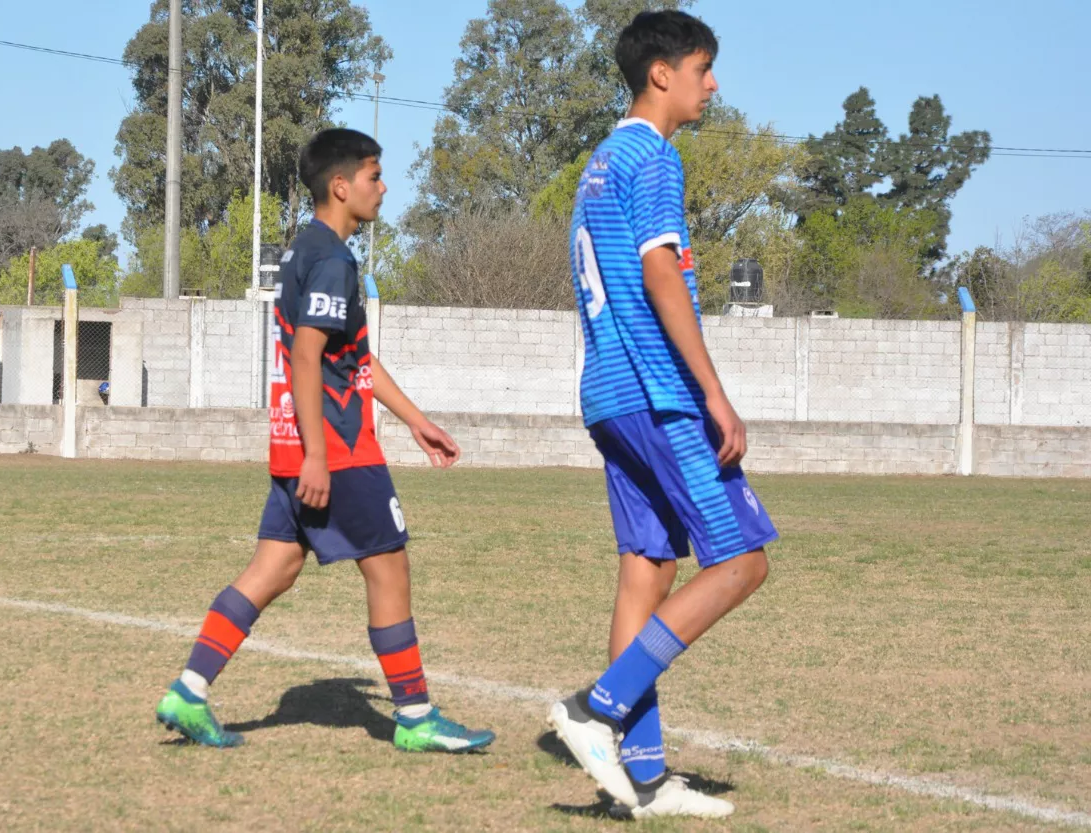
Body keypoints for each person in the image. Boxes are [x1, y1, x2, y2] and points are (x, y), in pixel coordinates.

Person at [155, 128, 495, 755]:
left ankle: (189, 690)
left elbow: (350, 356)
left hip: (295, 444)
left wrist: (414, 419)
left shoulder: (303, 252)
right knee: (389, 567)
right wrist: (318, 453)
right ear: (341, 186)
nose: (382, 186)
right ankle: (416, 716)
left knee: (274, 567)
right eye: (373, 175)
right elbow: (308, 357)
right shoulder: (335, 261)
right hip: (336, 451)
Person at [547, 10, 778, 819]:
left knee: (647, 568)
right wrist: (713, 390)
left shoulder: (599, 163)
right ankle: (594, 708)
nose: (712, 84)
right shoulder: (654, 156)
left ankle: (639, 781)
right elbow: (660, 273)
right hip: (657, 392)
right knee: (744, 560)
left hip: (607, 394)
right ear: (662, 74)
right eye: (703, 67)